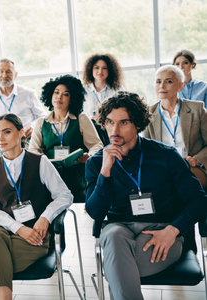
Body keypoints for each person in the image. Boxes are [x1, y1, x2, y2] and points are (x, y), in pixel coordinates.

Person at [85, 92, 207, 300]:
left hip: (163, 231)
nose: (114, 130)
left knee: (116, 268)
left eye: (123, 122)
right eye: (109, 122)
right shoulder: (97, 163)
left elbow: (199, 201)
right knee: (113, 235)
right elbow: (95, 211)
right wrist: (105, 173)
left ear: (138, 125)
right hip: (120, 230)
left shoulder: (166, 155)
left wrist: (173, 230)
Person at [0, 113, 73, 300]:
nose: (0, 139)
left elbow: (65, 195)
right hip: (4, 233)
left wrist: (45, 217)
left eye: (6, 132)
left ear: (21, 133)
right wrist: (19, 228)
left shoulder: (39, 161)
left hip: (35, 238)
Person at [29, 75, 103, 203]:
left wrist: (89, 156)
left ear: (72, 98)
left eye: (65, 94)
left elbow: (97, 145)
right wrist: (41, 159)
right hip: (50, 177)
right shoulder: (41, 123)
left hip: (77, 177)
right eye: (56, 92)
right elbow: (33, 150)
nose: (59, 97)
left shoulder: (81, 119)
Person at [143, 65, 207, 188]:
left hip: (193, 166)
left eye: (169, 81)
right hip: (163, 168)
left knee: (185, 184)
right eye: (158, 81)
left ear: (180, 86)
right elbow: (146, 150)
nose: (162, 86)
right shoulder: (148, 114)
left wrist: (196, 159)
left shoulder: (197, 109)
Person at [0, 58, 46, 154]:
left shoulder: (28, 94)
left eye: (8, 72)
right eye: (1, 72)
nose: (4, 75)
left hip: (26, 141)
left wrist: (33, 126)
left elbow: (43, 117)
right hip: (3, 146)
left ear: (15, 74)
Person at [82, 53, 124, 118]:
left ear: (110, 70)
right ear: (91, 70)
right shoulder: (83, 90)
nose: (100, 71)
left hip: (112, 126)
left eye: (104, 68)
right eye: (96, 68)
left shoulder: (118, 89)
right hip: (89, 126)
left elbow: (123, 111)